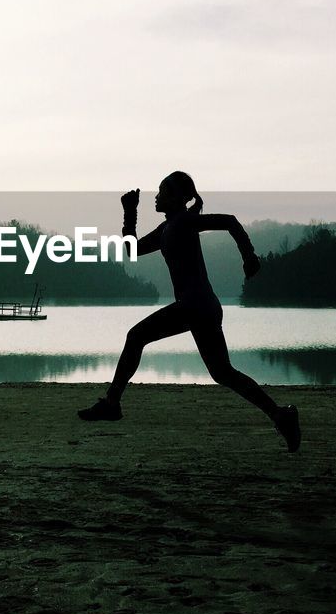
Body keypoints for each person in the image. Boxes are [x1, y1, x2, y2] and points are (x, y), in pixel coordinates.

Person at [78, 171, 301, 452]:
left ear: (181, 198)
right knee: (223, 373)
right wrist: (129, 214)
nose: (157, 197)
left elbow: (229, 221)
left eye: (163, 191)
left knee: (136, 336)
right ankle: (281, 415)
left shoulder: (184, 221)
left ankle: (112, 402)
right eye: (157, 192)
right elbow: (131, 250)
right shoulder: (168, 228)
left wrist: (249, 256)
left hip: (195, 306)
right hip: (203, 307)